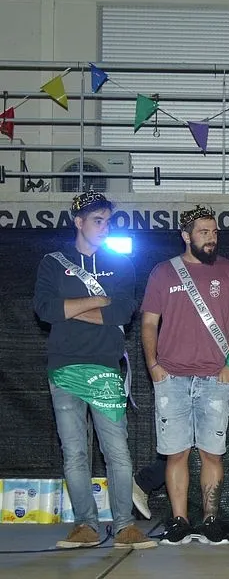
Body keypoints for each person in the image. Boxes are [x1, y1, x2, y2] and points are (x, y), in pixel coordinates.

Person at [33, 191, 155, 549]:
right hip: (65, 366)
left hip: (105, 365)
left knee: (117, 451)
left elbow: (122, 312)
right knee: (74, 451)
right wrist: (97, 302)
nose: (105, 227)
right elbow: (44, 309)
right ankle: (84, 524)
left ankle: (123, 526)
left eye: (108, 221)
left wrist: (69, 308)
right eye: (98, 221)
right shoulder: (53, 263)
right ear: (79, 222)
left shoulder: (122, 262)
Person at [141, 205, 229, 546]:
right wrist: (154, 367)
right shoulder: (163, 272)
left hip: (214, 378)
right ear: (186, 236)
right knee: (176, 453)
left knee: (211, 453)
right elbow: (148, 323)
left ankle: (211, 520)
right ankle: (178, 520)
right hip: (170, 377)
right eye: (204, 232)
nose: (211, 238)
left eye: (214, 232)